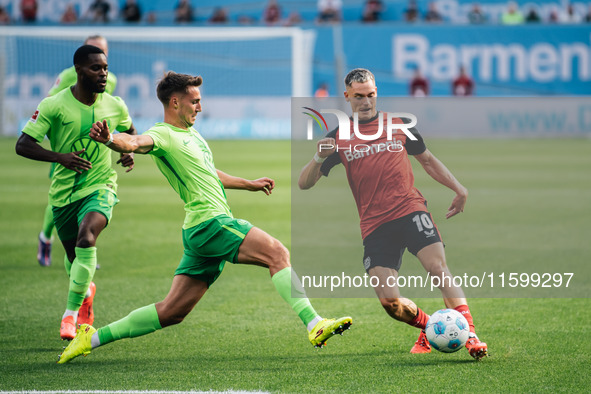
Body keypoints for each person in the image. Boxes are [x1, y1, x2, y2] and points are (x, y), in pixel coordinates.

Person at [57, 71, 352, 364]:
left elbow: (210, 172)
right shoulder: (164, 134)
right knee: (277, 253)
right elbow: (133, 142)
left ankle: (90, 339)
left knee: (172, 311)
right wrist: (110, 139)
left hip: (199, 230)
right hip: (210, 223)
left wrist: (248, 183)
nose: (200, 107)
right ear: (174, 103)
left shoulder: (192, 134)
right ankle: (315, 325)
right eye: (194, 101)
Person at [298, 68, 488, 360]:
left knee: (438, 268)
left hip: (410, 208)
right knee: (390, 303)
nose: (366, 101)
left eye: (370, 95)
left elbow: (427, 160)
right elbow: (304, 183)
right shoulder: (338, 136)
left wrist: (459, 188)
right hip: (374, 225)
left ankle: (471, 334)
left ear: (377, 93)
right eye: (358, 96)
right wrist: (319, 157)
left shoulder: (398, 124)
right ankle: (428, 327)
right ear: (347, 96)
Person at [15, 45, 136, 341]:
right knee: (74, 260)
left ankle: (69, 316)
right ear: (79, 71)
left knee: (87, 237)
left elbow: (131, 133)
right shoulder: (53, 105)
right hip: (63, 194)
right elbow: (23, 144)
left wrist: (125, 151)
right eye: (96, 68)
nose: (104, 73)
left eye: (105, 68)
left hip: (101, 185)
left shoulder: (115, 104)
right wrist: (61, 157)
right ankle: (86, 292)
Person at [38, 35, 117, 268]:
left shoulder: (110, 80)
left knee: (91, 203)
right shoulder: (67, 76)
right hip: (67, 146)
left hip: (95, 151)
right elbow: (51, 103)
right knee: (61, 196)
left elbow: (109, 109)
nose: (101, 71)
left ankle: (86, 250)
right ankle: (45, 237)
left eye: (103, 52)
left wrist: (122, 143)